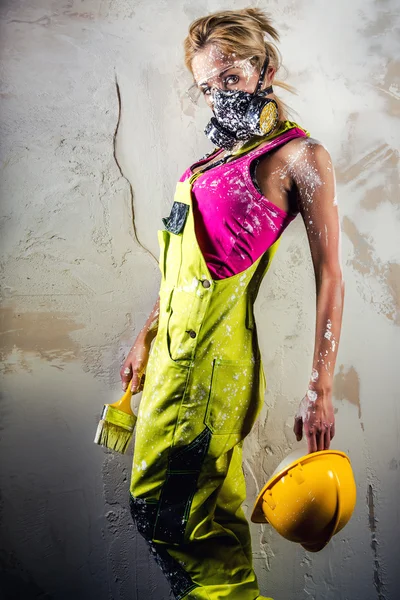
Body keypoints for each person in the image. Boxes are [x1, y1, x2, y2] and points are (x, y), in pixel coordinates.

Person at [120, 7, 344, 600]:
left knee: (170, 516)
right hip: (172, 358)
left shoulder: (299, 158)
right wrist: (146, 335)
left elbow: (331, 277)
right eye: (206, 87)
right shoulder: (205, 163)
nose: (219, 95)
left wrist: (320, 386)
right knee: (197, 522)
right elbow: (179, 269)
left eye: (231, 77)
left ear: (264, 67)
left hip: (211, 366)